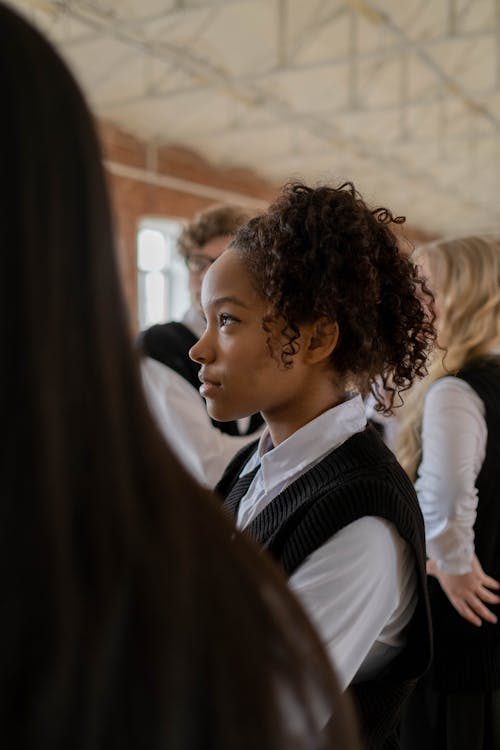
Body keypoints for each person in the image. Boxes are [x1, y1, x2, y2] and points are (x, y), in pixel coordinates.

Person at [0, 5, 362, 749]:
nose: (203, 348)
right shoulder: (166, 368)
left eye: (237, 315)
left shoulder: (184, 591)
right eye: (218, 305)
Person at [189, 181, 436, 749]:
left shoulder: (362, 523)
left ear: (318, 337)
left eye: (227, 321)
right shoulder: (258, 466)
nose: (199, 349)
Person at [395, 236, 500, 750]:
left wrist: (451, 563)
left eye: (426, 289)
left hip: (461, 617)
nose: (415, 301)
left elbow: (446, 496)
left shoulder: (457, 391)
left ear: (466, 296)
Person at [139, 205, 263, 486]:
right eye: (198, 263)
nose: (207, 276)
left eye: (220, 262)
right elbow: (209, 465)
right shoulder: (160, 348)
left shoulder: (255, 343)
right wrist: (278, 440)